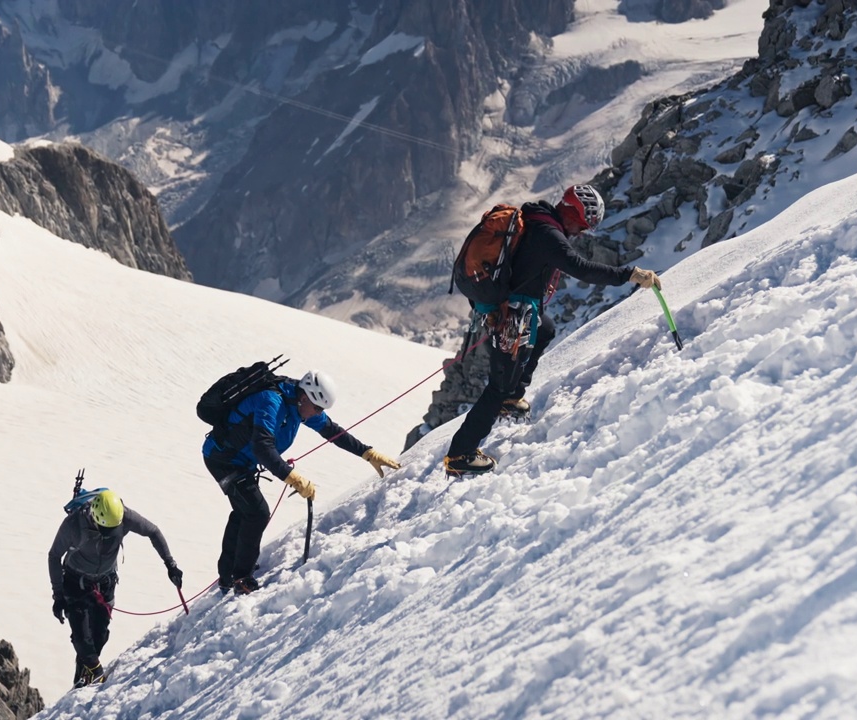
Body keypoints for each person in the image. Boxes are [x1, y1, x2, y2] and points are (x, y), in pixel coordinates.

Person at [443, 184, 662, 476]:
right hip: (513, 317)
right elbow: (581, 268)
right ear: (572, 211)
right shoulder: (549, 236)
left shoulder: (536, 221)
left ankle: (511, 397)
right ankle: (460, 454)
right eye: (584, 223)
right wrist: (629, 275)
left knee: (544, 329)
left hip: (518, 310)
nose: (583, 231)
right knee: (498, 385)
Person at [202, 369, 401, 595]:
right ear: (305, 397)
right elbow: (262, 447)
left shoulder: (299, 405)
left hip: (241, 460)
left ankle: (229, 574)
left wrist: (367, 453)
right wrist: (291, 477)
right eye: (317, 408)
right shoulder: (271, 401)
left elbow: (332, 431)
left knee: (244, 511)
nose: (318, 413)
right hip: (223, 459)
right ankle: (240, 577)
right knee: (256, 513)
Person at [48, 489, 183, 687]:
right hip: (75, 584)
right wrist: (58, 596)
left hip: (105, 583)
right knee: (82, 637)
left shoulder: (123, 516)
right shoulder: (74, 525)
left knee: (100, 635)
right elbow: (54, 556)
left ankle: (84, 671)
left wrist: (170, 564)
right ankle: (95, 676)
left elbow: (153, 531)